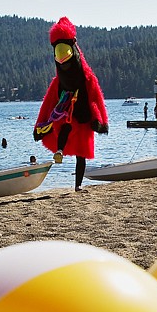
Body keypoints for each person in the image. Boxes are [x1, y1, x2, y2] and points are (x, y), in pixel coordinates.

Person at [33, 17, 109, 191]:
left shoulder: (66, 79)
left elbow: (48, 103)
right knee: (80, 153)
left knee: (66, 131)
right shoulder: (85, 77)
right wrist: (100, 120)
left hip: (71, 114)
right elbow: (95, 98)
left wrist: (39, 125)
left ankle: (60, 150)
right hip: (81, 116)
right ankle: (78, 185)